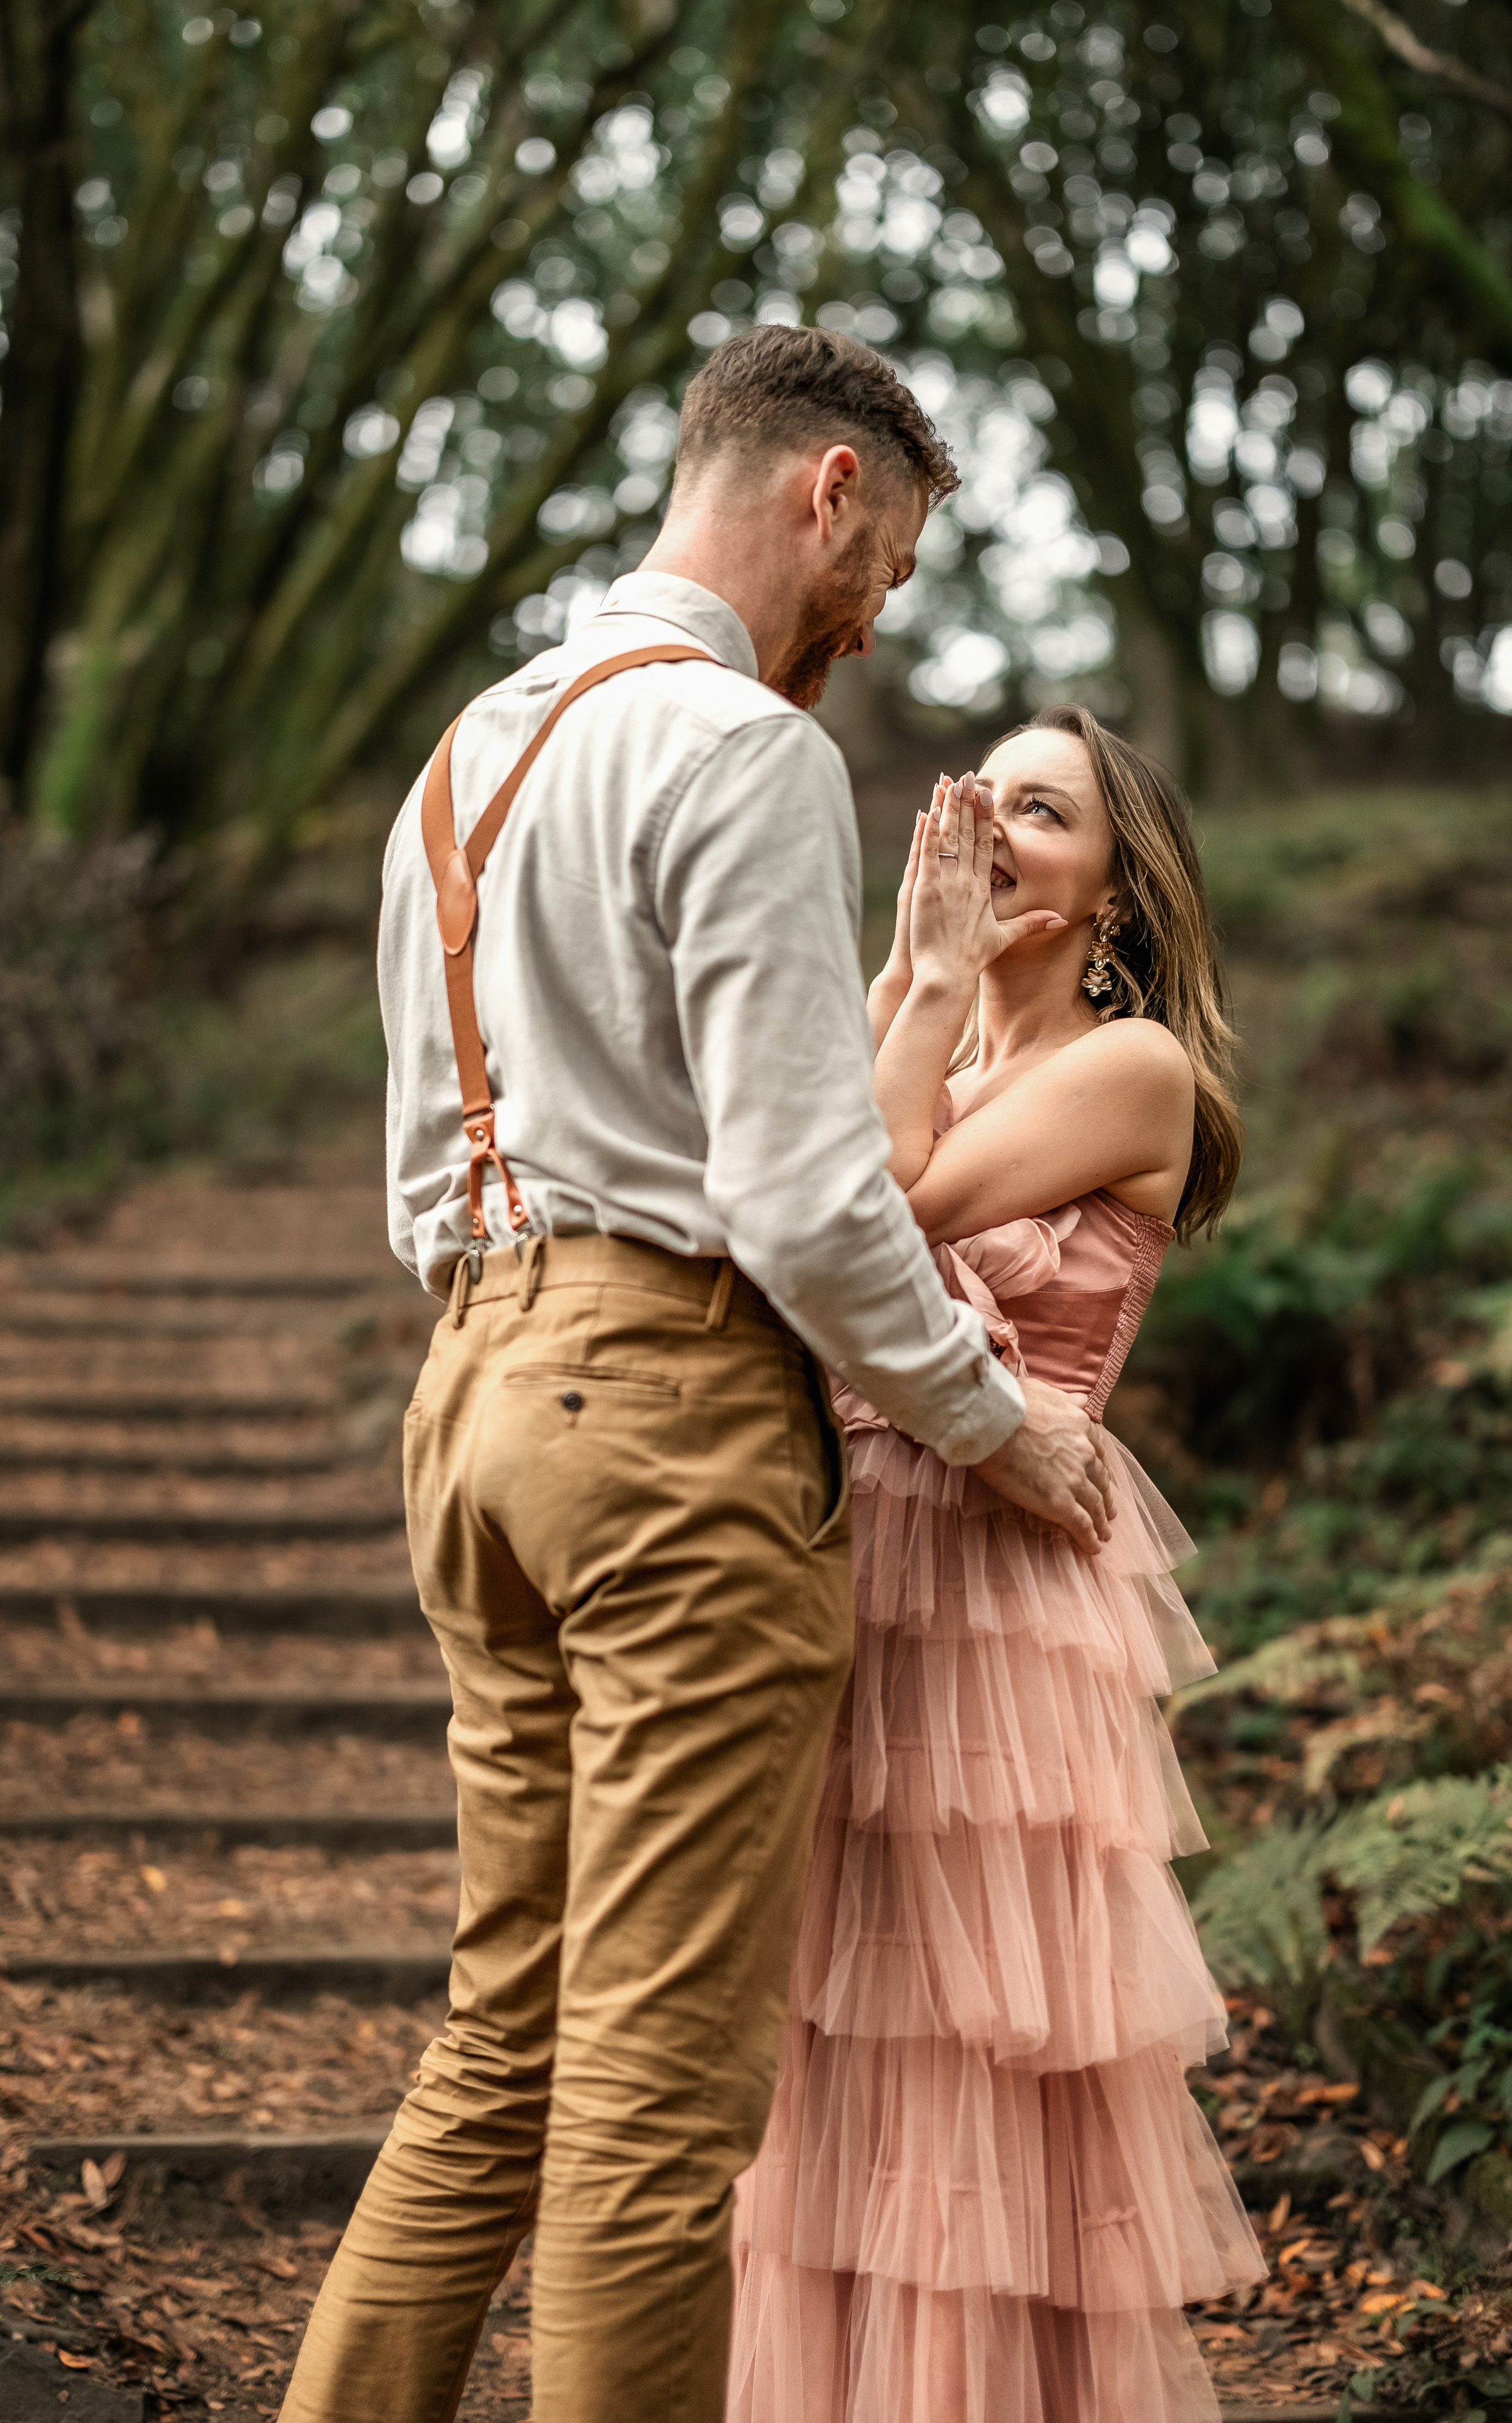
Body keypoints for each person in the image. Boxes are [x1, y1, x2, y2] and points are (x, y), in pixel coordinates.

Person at [279, 326, 1113, 2423]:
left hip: (469, 1399)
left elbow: (413, 1174)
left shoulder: (465, 753)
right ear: (828, 490)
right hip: (665, 1434)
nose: (880, 611)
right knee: (657, 2108)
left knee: (500, 2041)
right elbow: (810, 1205)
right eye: (890, 560)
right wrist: (1002, 1428)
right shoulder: (742, 752)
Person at [726, 713, 1268, 2423]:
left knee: (964, 2049)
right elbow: (794, 1219)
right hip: (844, 1564)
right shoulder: (933, 1032)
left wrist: (928, 989)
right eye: (985, 791)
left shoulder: (1131, 1070)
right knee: (828, 2053)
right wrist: (907, 987)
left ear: (1118, 892)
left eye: (1045, 808)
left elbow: (878, 1200)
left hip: (992, 1587)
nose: (991, 822)